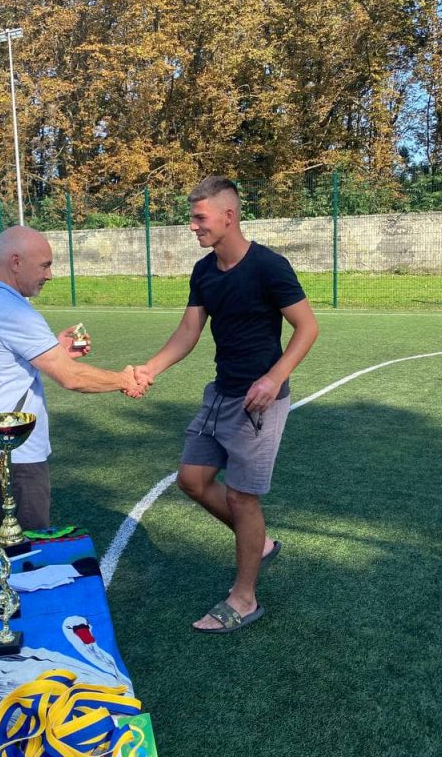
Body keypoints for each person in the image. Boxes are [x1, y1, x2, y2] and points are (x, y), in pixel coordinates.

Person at [134, 175, 319, 633]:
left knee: (241, 497)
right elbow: (188, 332)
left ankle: (244, 598)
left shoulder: (269, 266)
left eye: (200, 218)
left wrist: (274, 378)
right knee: (192, 480)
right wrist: (149, 369)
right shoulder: (204, 272)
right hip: (219, 394)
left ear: (229, 216)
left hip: (259, 403)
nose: (192, 226)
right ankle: (259, 544)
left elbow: (307, 327)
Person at [0, 226, 147, 531]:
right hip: (16, 451)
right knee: (29, 545)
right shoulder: (12, 311)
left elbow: (5, 362)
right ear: (16, 262)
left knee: (15, 537)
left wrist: (54, 348)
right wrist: (125, 380)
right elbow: (71, 377)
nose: (50, 275)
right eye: (44, 265)